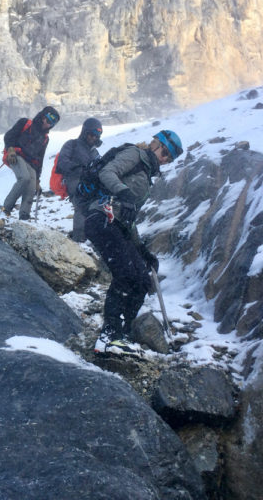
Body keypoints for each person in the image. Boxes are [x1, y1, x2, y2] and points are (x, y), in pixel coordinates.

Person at [82, 130, 184, 356]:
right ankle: (109, 336)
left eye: (169, 157)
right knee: (126, 274)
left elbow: (128, 217)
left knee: (141, 279)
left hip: (118, 225)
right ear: (155, 144)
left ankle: (124, 335)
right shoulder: (135, 154)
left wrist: (142, 250)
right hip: (101, 217)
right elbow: (108, 172)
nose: (164, 158)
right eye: (164, 151)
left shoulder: (147, 175)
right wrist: (124, 193)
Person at [2, 106, 60, 220]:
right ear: (42, 116)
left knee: (32, 186)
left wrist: (38, 180)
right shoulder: (25, 123)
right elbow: (8, 136)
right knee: (24, 178)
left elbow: (40, 159)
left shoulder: (45, 139)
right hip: (15, 155)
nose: (48, 124)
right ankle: (6, 209)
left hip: (30, 163)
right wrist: (10, 149)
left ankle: (24, 216)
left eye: (52, 123)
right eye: (48, 120)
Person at [56, 117, 103, 241]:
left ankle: (93, 238)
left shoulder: (95, 152)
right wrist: (80, 168)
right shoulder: (71, 144)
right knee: (82, 203)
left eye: (97, 136)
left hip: (91, 182)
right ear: (85, 132)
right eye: (92, 135)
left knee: (101, 204)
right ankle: (79, 238)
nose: (94, 138)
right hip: (74, 179)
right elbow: (62, 163)